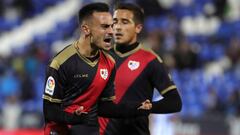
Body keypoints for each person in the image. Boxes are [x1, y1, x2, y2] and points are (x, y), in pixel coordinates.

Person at [42, 2, 151, 135]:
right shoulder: (61, 62)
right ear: (86, 29)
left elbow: (106, 107)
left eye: (112, 26)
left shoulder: (109, 63)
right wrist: (73, 118)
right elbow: (49, 110)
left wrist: (135, 107)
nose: (111, 31)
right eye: (105, 27)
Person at [99, 3, 182, 135]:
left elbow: (175, 102)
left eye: (125, 22)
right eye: (115, 22)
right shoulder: (100, 57)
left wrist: (147, 107)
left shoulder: (150, 60)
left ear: (138, 27)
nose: (118, 27)